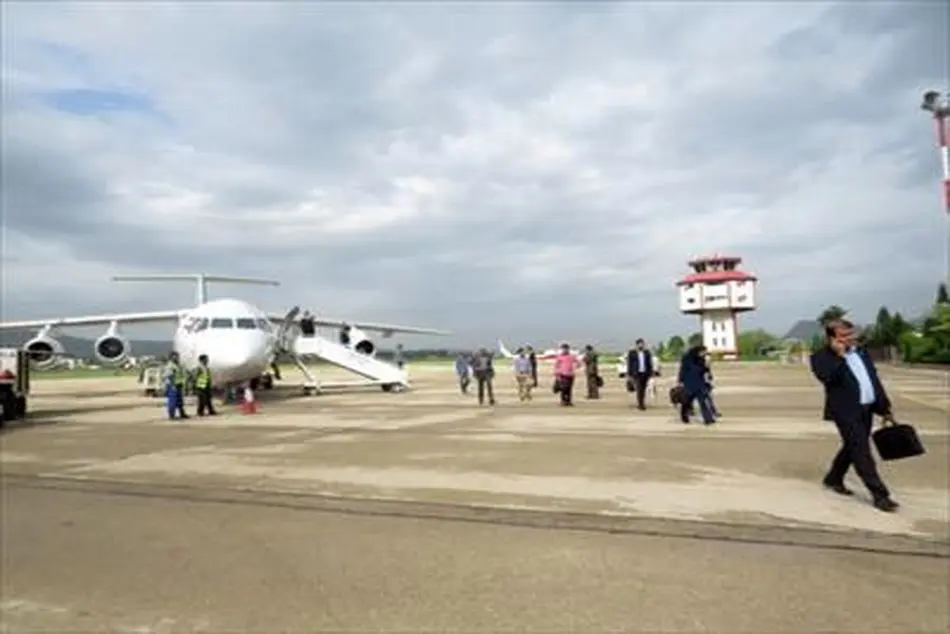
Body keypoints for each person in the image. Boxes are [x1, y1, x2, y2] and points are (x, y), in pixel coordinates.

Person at [810, 319, 899, 513]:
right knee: (861, 450)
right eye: (844, 336)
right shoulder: (820, 358)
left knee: (853, 446)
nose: (850, 339)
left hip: (867, 408)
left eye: (851, 334)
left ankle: (833, 478)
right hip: (845, 412)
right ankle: (880, 495)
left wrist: (884, 407)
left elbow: (873, 380)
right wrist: (840, 356)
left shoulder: (861, 352)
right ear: (831, 338)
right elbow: (828, 378)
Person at [677, 345, 715, 425]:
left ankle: (708, 418)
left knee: (703, 401)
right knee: (687, 402)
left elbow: (704, 370)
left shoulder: (701, 359)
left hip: (700, 383)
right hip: (689, 383)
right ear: (698, 351)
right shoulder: (687, 359)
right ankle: (684, 416)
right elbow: (682, 370)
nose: (704, 353)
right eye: (703, 351)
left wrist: (707, 370)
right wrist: (680, 380)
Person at [626, 339, 655, 410]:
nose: (641, 345)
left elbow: (649, 363)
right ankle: (641, 404)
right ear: (636, 345)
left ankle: (642, 402)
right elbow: (629, 364)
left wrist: (651, 373)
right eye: (640, 344)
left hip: (645, 374)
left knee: (643, 389)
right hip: (636, 374)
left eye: (642, 344)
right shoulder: (632, 353)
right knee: (639, 389)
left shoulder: (647, 353)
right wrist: (629, 374)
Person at [163, 352, 189, 420]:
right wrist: (173, 385)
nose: (176, 358)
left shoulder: (178, 365)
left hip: (178, 384)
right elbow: (170, 376)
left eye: (177, 356)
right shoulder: (170, 365)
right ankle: (172, 416)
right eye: (174, 356)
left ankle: (182, 413)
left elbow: (181, 374)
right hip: (172, 385)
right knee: (173, 401)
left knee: (180, 400)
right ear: (171, 357)